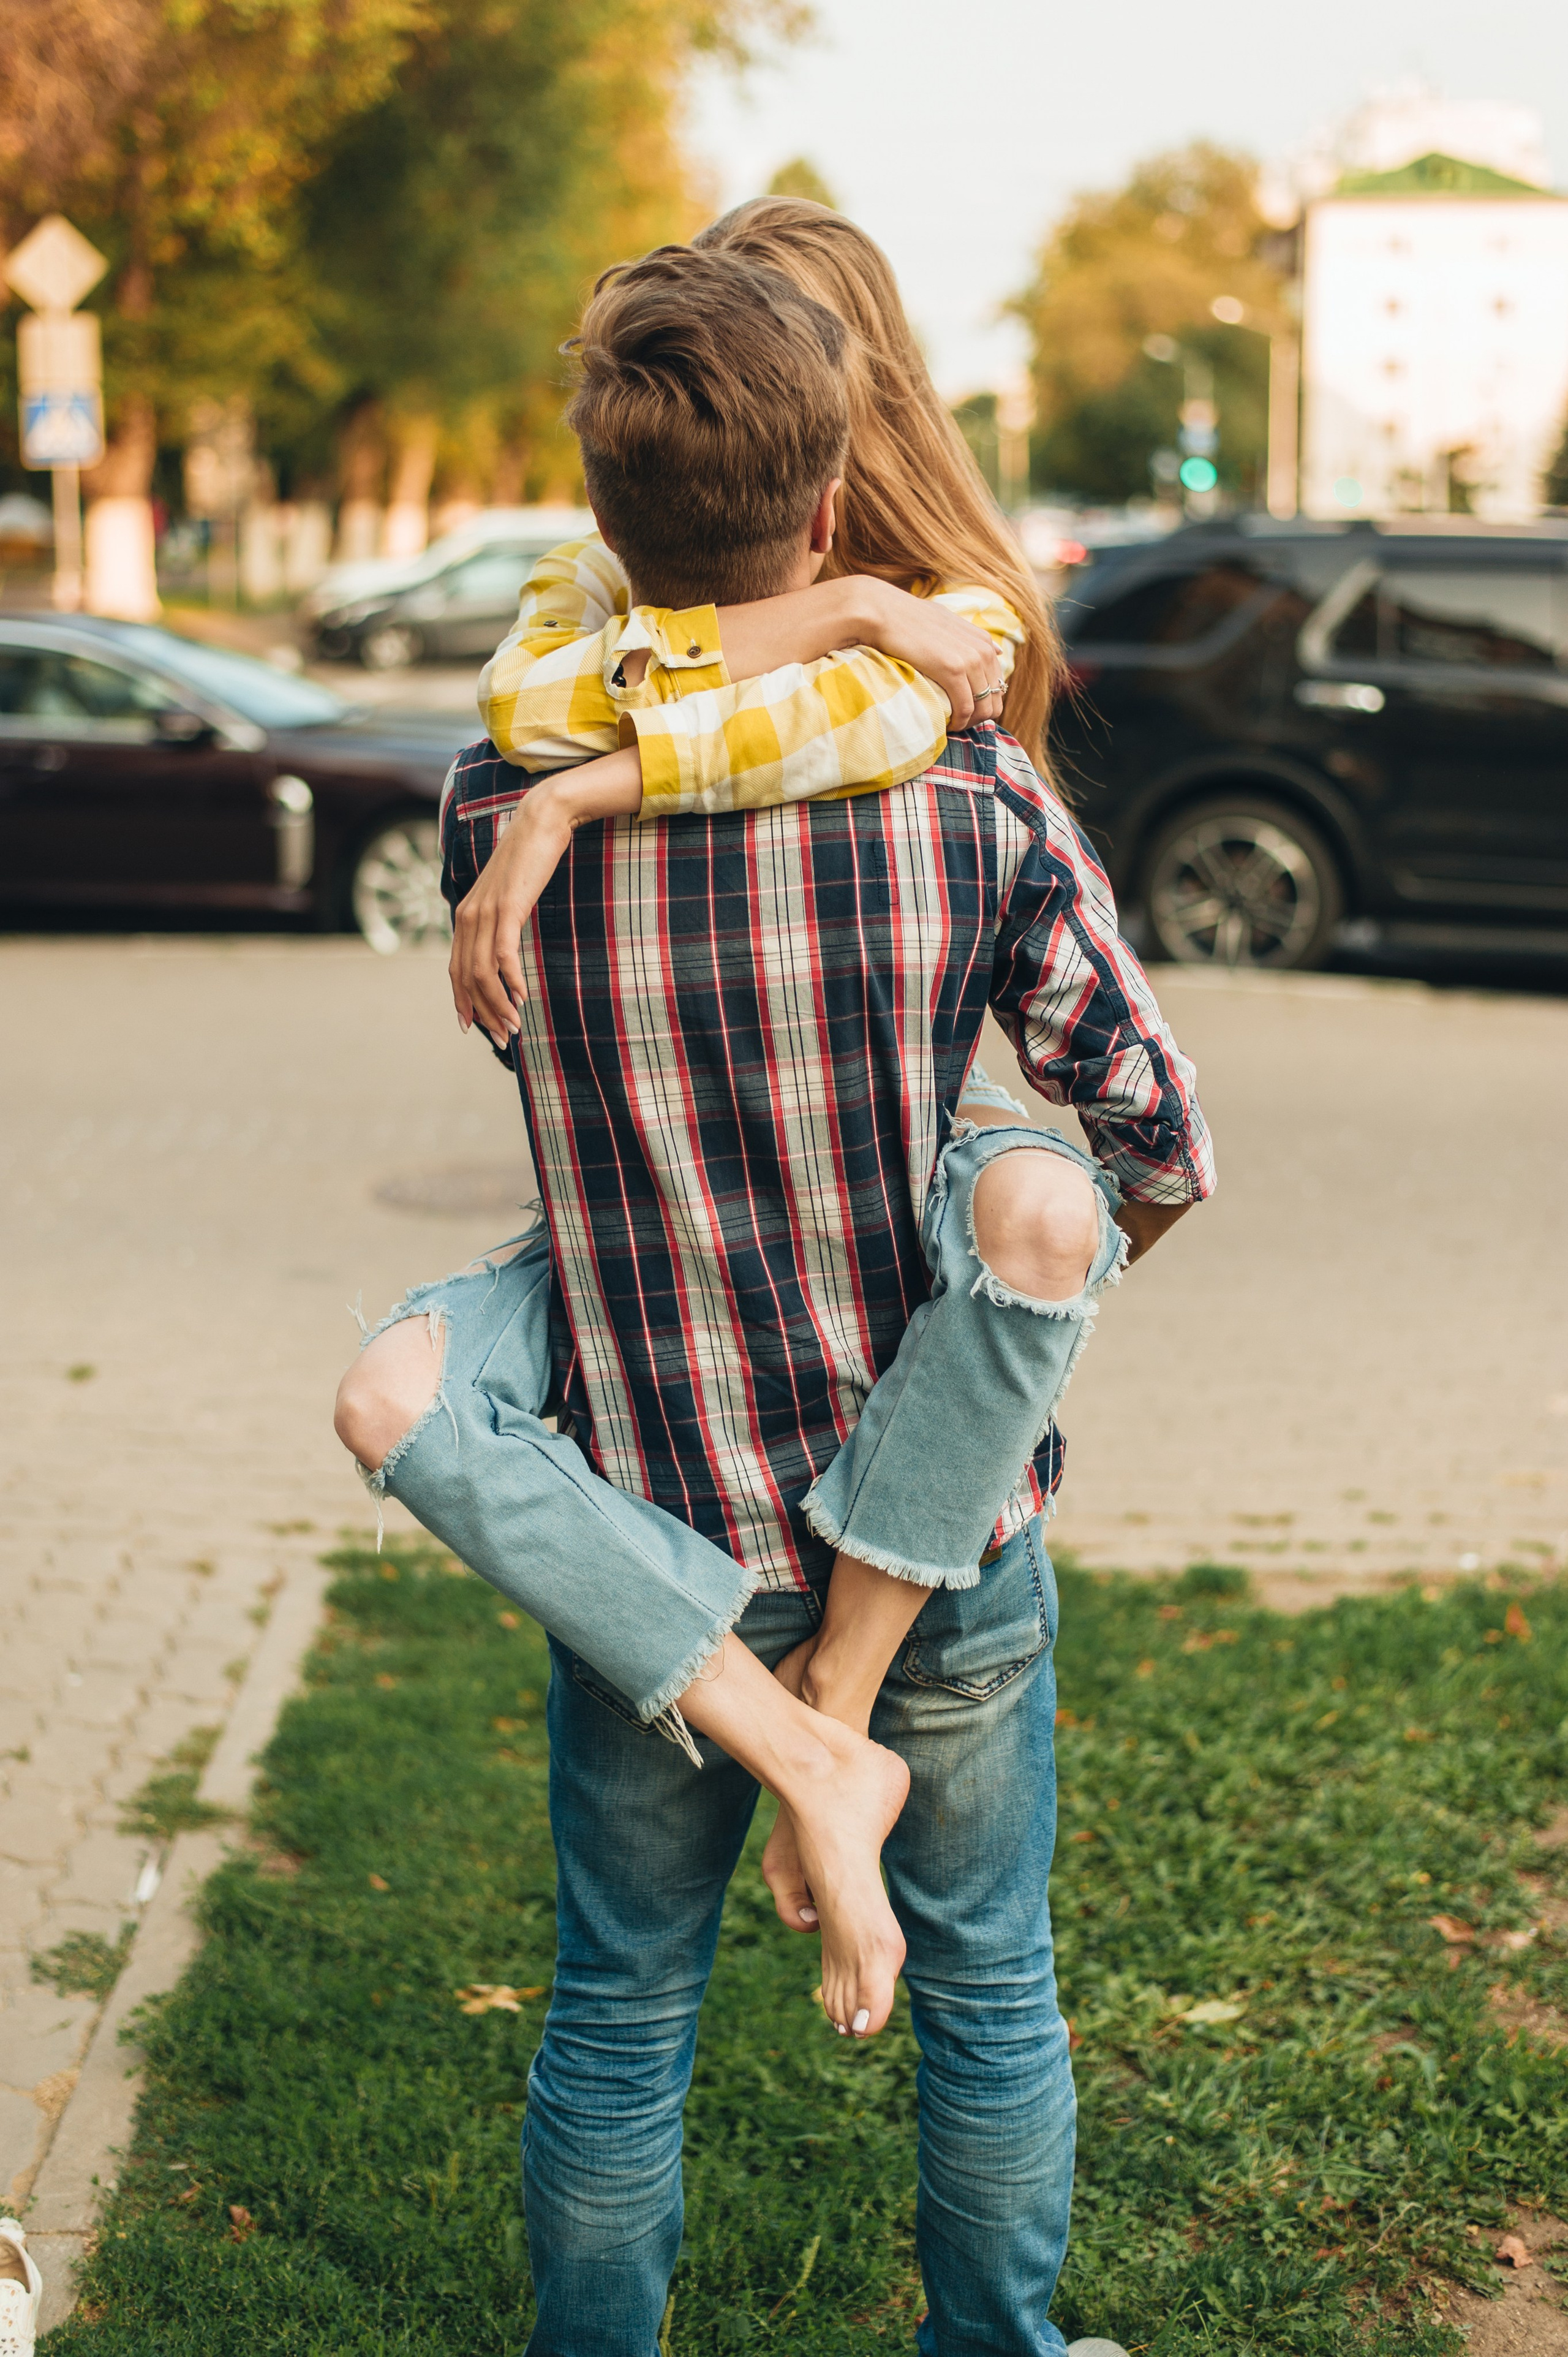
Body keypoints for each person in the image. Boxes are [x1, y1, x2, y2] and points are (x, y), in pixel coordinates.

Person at [361, 239, 1212, 2354]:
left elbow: (575, 1093)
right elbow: (1160, 1144)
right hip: (930, 1548)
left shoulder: (504, 817)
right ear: (834, 513)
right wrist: (1002, 1253)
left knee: (619, 2015)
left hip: (649, 1517)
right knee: (993, 1986)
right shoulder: (965, 789)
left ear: (604, 518)